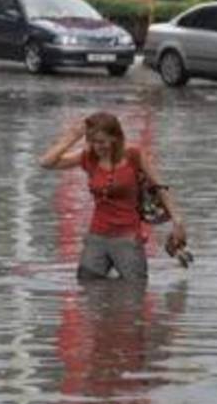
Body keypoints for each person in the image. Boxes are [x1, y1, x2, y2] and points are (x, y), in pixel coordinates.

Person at [39, 112, 187, 280]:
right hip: (97, 236)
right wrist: (72, 137)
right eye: (93, 142)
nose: (97, 147)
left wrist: (177, 221)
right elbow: (46, 163)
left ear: (115, 138)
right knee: (87, 288)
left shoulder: (133, 155)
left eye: (101, 142)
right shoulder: (89, 158)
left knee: (134, 291)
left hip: (128, 238)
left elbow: (160, 188)